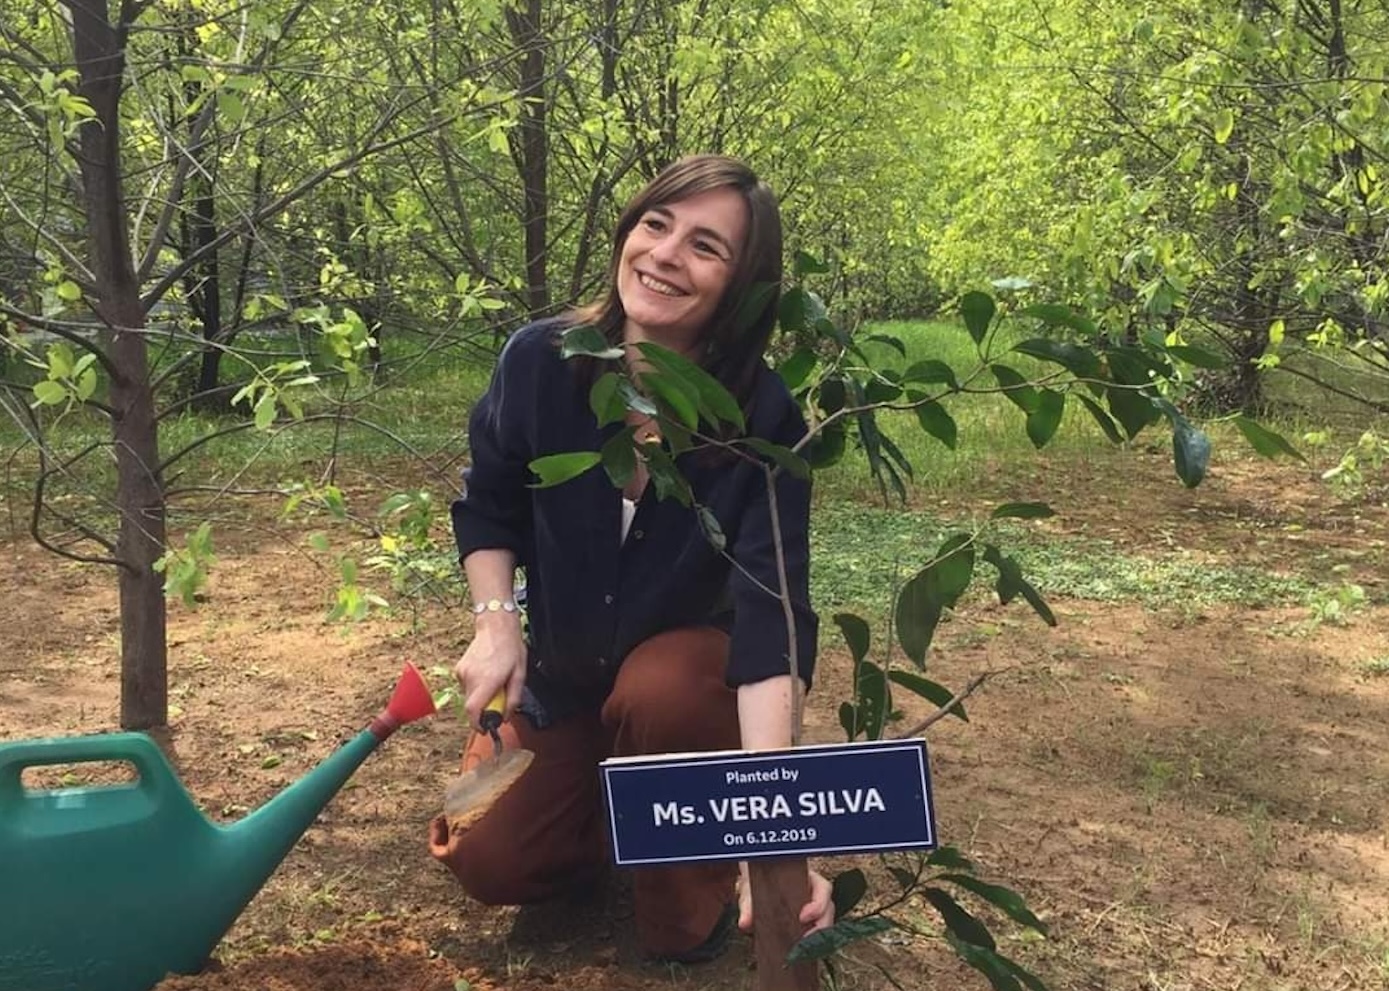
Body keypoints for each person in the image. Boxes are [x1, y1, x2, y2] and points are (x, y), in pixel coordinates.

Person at [427, 154, 832, 963]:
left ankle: (689, 874)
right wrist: (498, 623)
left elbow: (770, 619)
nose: (665, 254)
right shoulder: (541, 359)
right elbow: (490, 500)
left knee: (665, 691)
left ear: (740, 285)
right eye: (656, 223)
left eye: (705, 246)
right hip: (562, 677)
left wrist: (771, 833)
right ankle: (611, 814)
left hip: (682, 685)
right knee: (479, 848)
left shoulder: (761, 414)